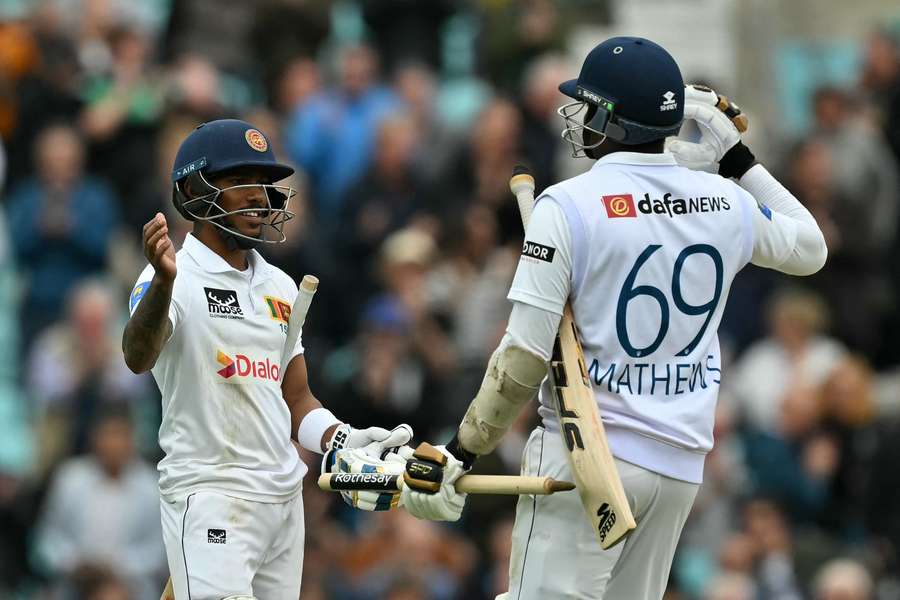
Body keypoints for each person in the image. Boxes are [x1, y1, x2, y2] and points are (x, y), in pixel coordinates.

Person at [398, 37, 828, 599]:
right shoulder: (727, 200)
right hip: (678, 465)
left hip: (584, 458)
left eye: (588, 106)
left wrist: (461, 450)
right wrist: (737, 162)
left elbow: (523, 358)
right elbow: (811, 247)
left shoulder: (566, 204)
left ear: (613, 120)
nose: (576, 117)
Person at [121, 119, 412, 599]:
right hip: (210, 494)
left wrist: (342, 440)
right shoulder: (175, 277)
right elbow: (137, 355)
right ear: (194, 190)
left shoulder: (279, 285)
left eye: (264, 184)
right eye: (240, 182)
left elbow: (294, 397)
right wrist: (163, 283)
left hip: (283, 500)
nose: (260, 197)